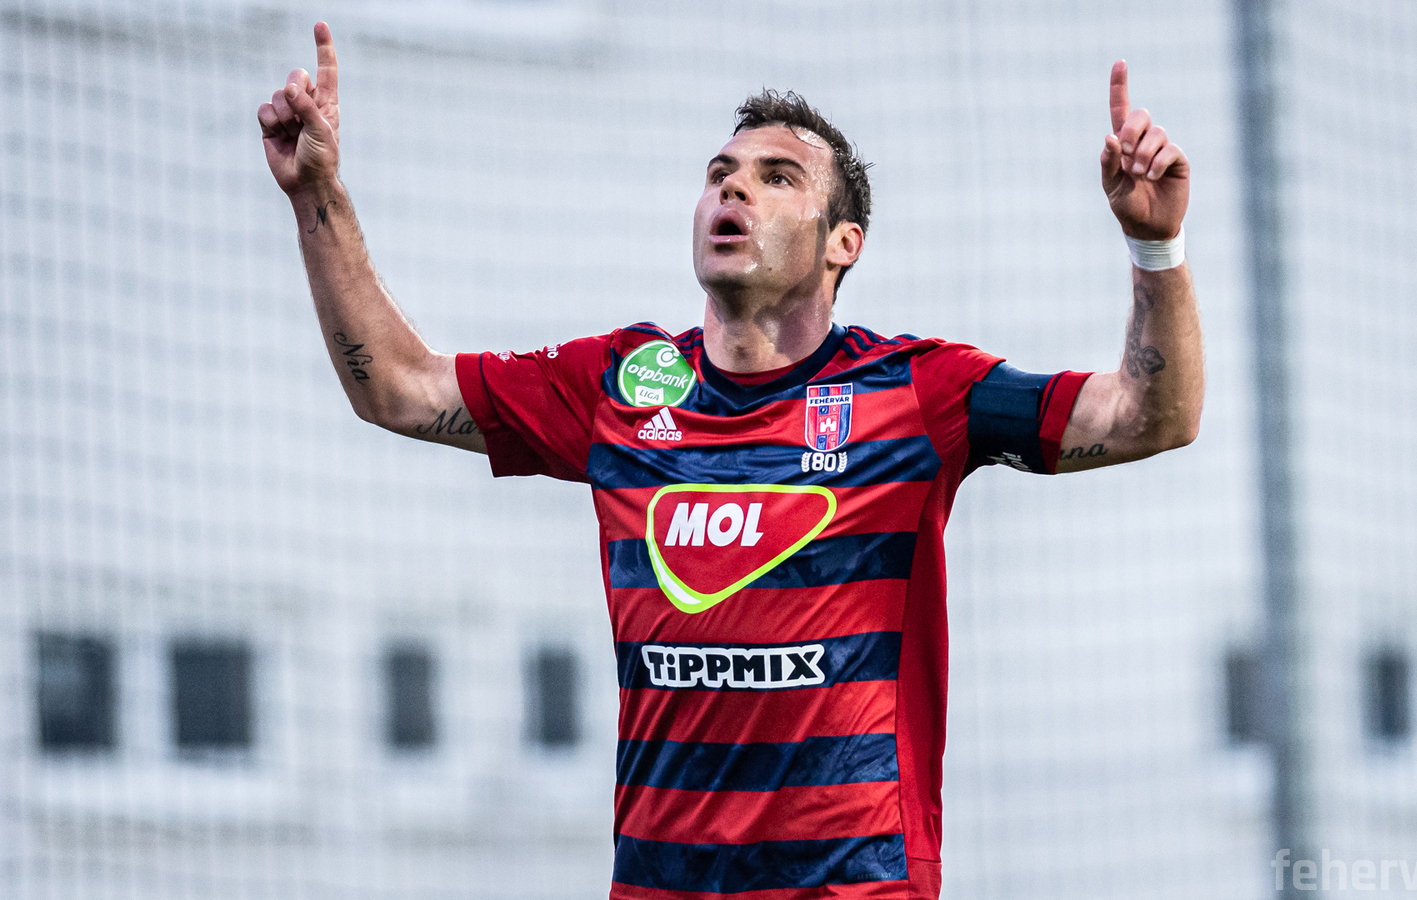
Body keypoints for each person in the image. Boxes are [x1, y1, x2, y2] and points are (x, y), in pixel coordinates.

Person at [258, 21, 1202, 900]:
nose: (733, 189)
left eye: (776, 177)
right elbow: (400, 389)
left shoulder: (919, 390)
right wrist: (316, 196)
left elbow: (1146, 418)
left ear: (843, 245)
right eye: (721, 173)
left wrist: (1154, 247)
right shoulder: (623, 383)